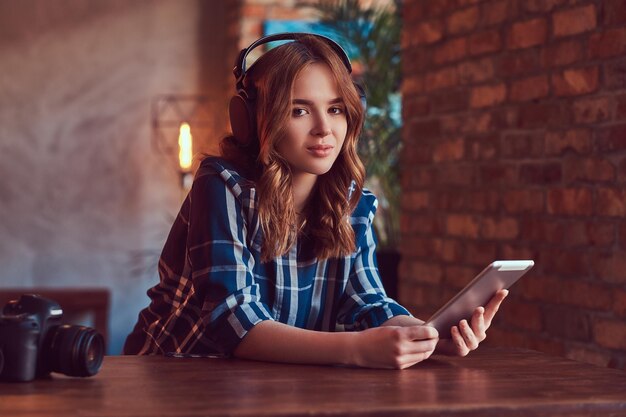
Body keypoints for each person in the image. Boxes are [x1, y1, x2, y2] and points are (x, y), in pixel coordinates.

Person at [123, 33, 508, 369]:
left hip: (273, 384)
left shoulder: (355, 204)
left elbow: (367, 303)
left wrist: (426, 336)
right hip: (175, 375)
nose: (324, 128)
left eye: (336, 108)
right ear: (252, 119)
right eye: (300, 110)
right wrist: (356, 350)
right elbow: (233, 319)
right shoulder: (221, 185)